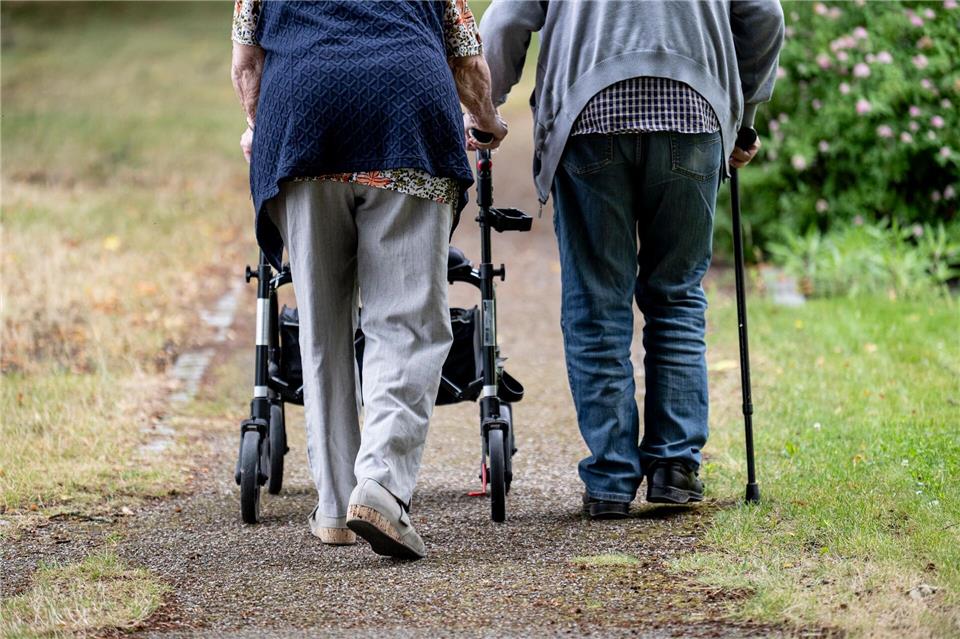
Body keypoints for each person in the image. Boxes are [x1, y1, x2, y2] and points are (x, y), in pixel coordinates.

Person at [478, 0, 783, 518]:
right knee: (677, 294)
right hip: (694, 110)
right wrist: (745, 115)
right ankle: (674, 466)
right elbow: (765, 16)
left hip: (589, 111)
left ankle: (611, 478)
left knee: (596, 302)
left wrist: (484, 108)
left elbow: (507, 19)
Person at [231, 0, 507, 559]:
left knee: (322, 328)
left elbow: (246, 62)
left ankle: (335, 506)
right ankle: (379, 484)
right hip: (408, 118)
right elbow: (466, 59)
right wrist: (487, 121)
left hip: (303, 123)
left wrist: (261, 126)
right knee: (407, 322)